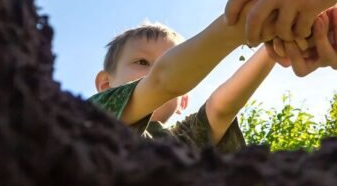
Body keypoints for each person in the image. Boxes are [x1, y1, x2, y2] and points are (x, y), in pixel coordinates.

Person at [88, 14, 275, 153]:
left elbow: (220, 109)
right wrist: (247, 21)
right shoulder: (96, 119)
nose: (154, 71)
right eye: (143, 62)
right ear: (105, 84)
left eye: (174, 62)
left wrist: (273, 46)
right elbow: (162, 81)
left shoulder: (181, 144)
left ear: (183, 101)